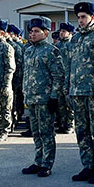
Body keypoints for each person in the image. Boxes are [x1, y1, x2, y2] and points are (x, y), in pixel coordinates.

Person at [67, 1, 94, 185]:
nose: (80, 20)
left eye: (83, 17)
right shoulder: (76, 38)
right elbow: (70, 66)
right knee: (82, 131)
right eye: (78, 17)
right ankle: (87, 165)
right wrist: (68, 89)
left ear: (92, 17)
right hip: (78, 92)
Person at [21, 18, 65, 177]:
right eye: (31, 31)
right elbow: (26, 75)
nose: (32, 34)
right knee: (36, 132)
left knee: (46, 133)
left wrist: (54, 97)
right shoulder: (28, 50)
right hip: (31, 98)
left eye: (36, 31)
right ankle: (38, 161)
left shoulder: (51, 51)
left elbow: (58, 76)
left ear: (46, 33)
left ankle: (47, 164)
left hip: (45, 99)